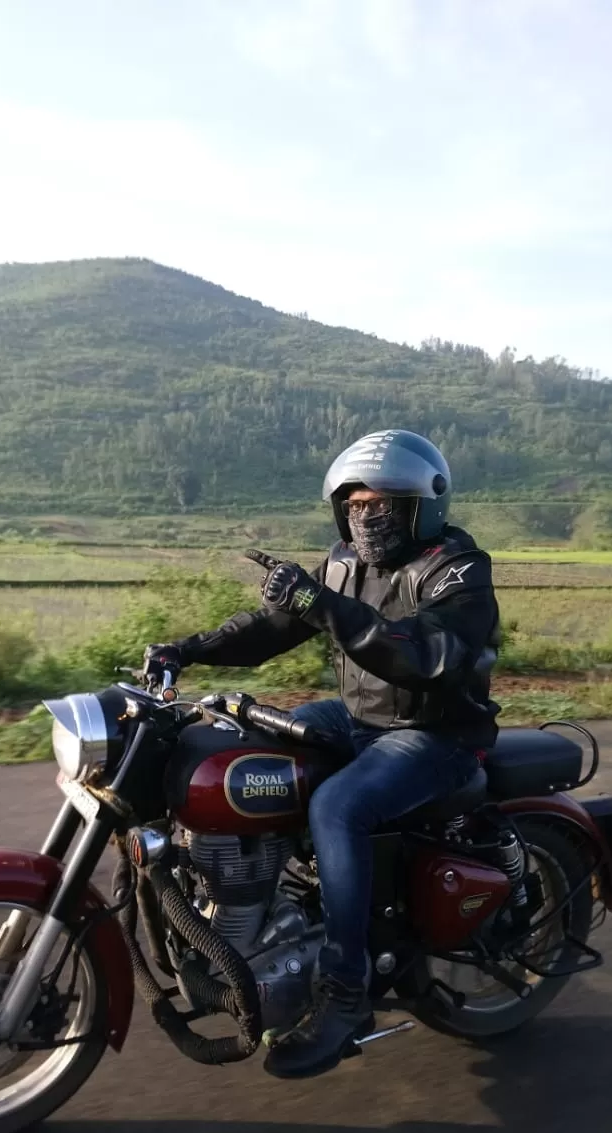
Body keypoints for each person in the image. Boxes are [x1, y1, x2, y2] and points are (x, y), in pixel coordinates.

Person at [143, 430, 500, 1079]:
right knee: (253, 750)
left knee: (337, 806)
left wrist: (326, 604)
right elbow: (275, 627)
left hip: (438, 732)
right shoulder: (343, 562)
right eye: (356, 502)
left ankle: (345, 991)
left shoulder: (457, 568)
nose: (369, 514)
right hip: (361, 717)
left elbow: (425, 656)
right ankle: (274, 917)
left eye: (385, 501)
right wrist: (184, 648)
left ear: (424, 506)